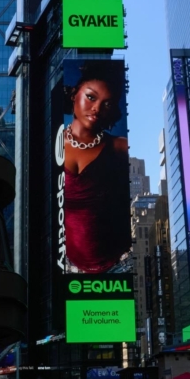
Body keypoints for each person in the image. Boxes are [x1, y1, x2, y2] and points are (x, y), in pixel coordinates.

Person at [63, 60, 131, 273]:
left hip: (118, 266)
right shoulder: (50, 146)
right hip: (63, 267)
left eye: (107, 104)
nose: (96, 109)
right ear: (74, 95)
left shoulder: (120, 147)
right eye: (91, 97)